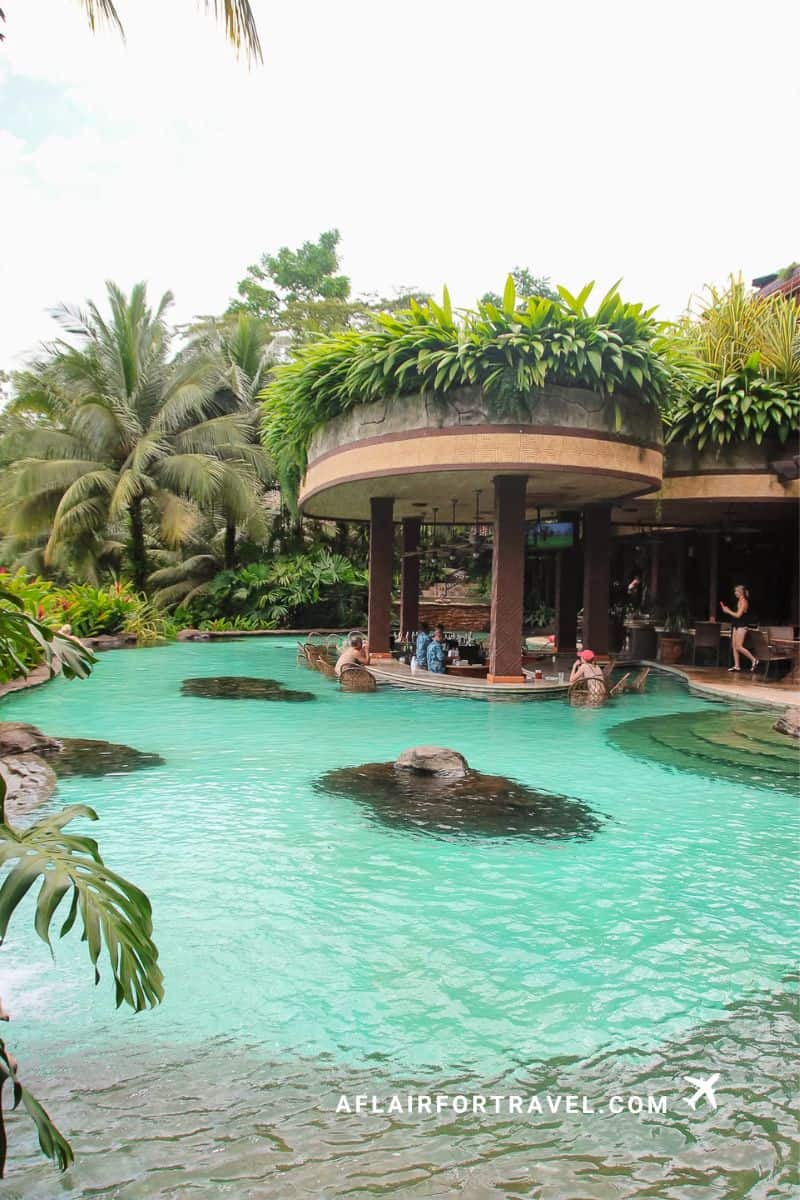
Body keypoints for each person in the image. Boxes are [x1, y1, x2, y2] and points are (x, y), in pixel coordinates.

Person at [720, 585, 759, 672]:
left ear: (740, 592)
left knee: (739, 646)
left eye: (736, 591)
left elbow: (738, 615)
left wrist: (728, 611)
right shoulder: (739, 601)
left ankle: (754, 660)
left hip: (742, 625)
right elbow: (735, 615)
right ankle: (737, 666)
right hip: (735, 625)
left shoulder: (744, 602)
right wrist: (727, 611)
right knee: (734, 646)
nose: (734, 593)